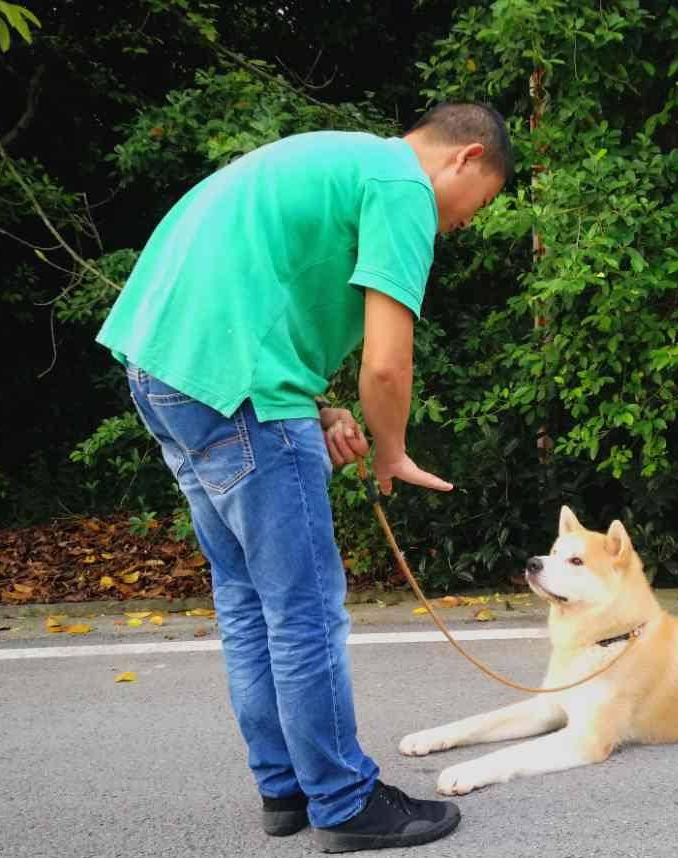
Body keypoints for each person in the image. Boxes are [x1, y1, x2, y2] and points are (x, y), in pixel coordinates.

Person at [95, 102, 512, 853]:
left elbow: (256, 285)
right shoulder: (402, 184)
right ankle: (346, 802)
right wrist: (392, 450)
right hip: (240, 386)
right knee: (306, 610)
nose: (461, 227)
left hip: (164, 368)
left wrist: (311, 404)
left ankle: (285, 789)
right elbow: (387, 360)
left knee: (250, 601)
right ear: (466, 158)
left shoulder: (335, 158)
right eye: (475, 209)